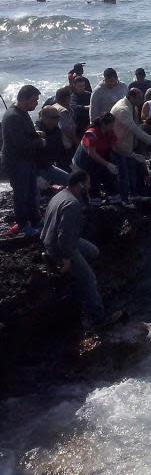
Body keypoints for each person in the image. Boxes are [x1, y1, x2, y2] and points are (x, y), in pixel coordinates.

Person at [41, 169, 120, 329]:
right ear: (80, 184)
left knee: (94, 252)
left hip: (54, 238)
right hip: (60, 245)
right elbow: (64, 236)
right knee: (90, 279)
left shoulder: (61, 195)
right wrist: (66, 258)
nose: (90, 186)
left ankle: (80, 275)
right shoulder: (72, 204)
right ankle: (98, 318)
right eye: (88, 183)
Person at [1, 85, 44, 236]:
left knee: (32, 192)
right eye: (34, 100)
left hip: (27, 160)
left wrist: (35, 134)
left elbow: (27, 134)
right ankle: (23, 225)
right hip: (17, 162)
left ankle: (35, 219)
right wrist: (40, 142)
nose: (37, 103)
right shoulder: (13, 116)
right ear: (24, 99)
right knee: (21, 194)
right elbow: (21, 144)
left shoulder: (23, 112)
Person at [111, 88, 151, 207]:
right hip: (119, 146)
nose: (142, 100)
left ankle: (133, 194)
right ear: (132, 97)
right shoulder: (123, 110)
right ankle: (124, 200)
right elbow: (135, 129)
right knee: (124, 174)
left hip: (129, 145)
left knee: (132, 170)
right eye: (139, 98)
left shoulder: (133, 106)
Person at [73, 113, 119, 200]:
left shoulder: (109, 132)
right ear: (104, 124)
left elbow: (115, 147)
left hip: (100, 157)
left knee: (109, 174)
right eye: (111, 125)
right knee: (93, 178)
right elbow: (91, 153)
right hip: (85, 160)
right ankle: (93, 198)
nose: (113, 127)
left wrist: (130, 154)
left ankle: (112, 195)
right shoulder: (92, 133)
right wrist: (107, 164)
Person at [34, 106, 69, 186]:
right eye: (55, 117)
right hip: (37, 169)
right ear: (45, 118)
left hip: (49, 166)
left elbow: (60, 151)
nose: (58, 119)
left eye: (58, 116)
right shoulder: (37, 130)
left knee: (70, 180)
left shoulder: (56, 130)